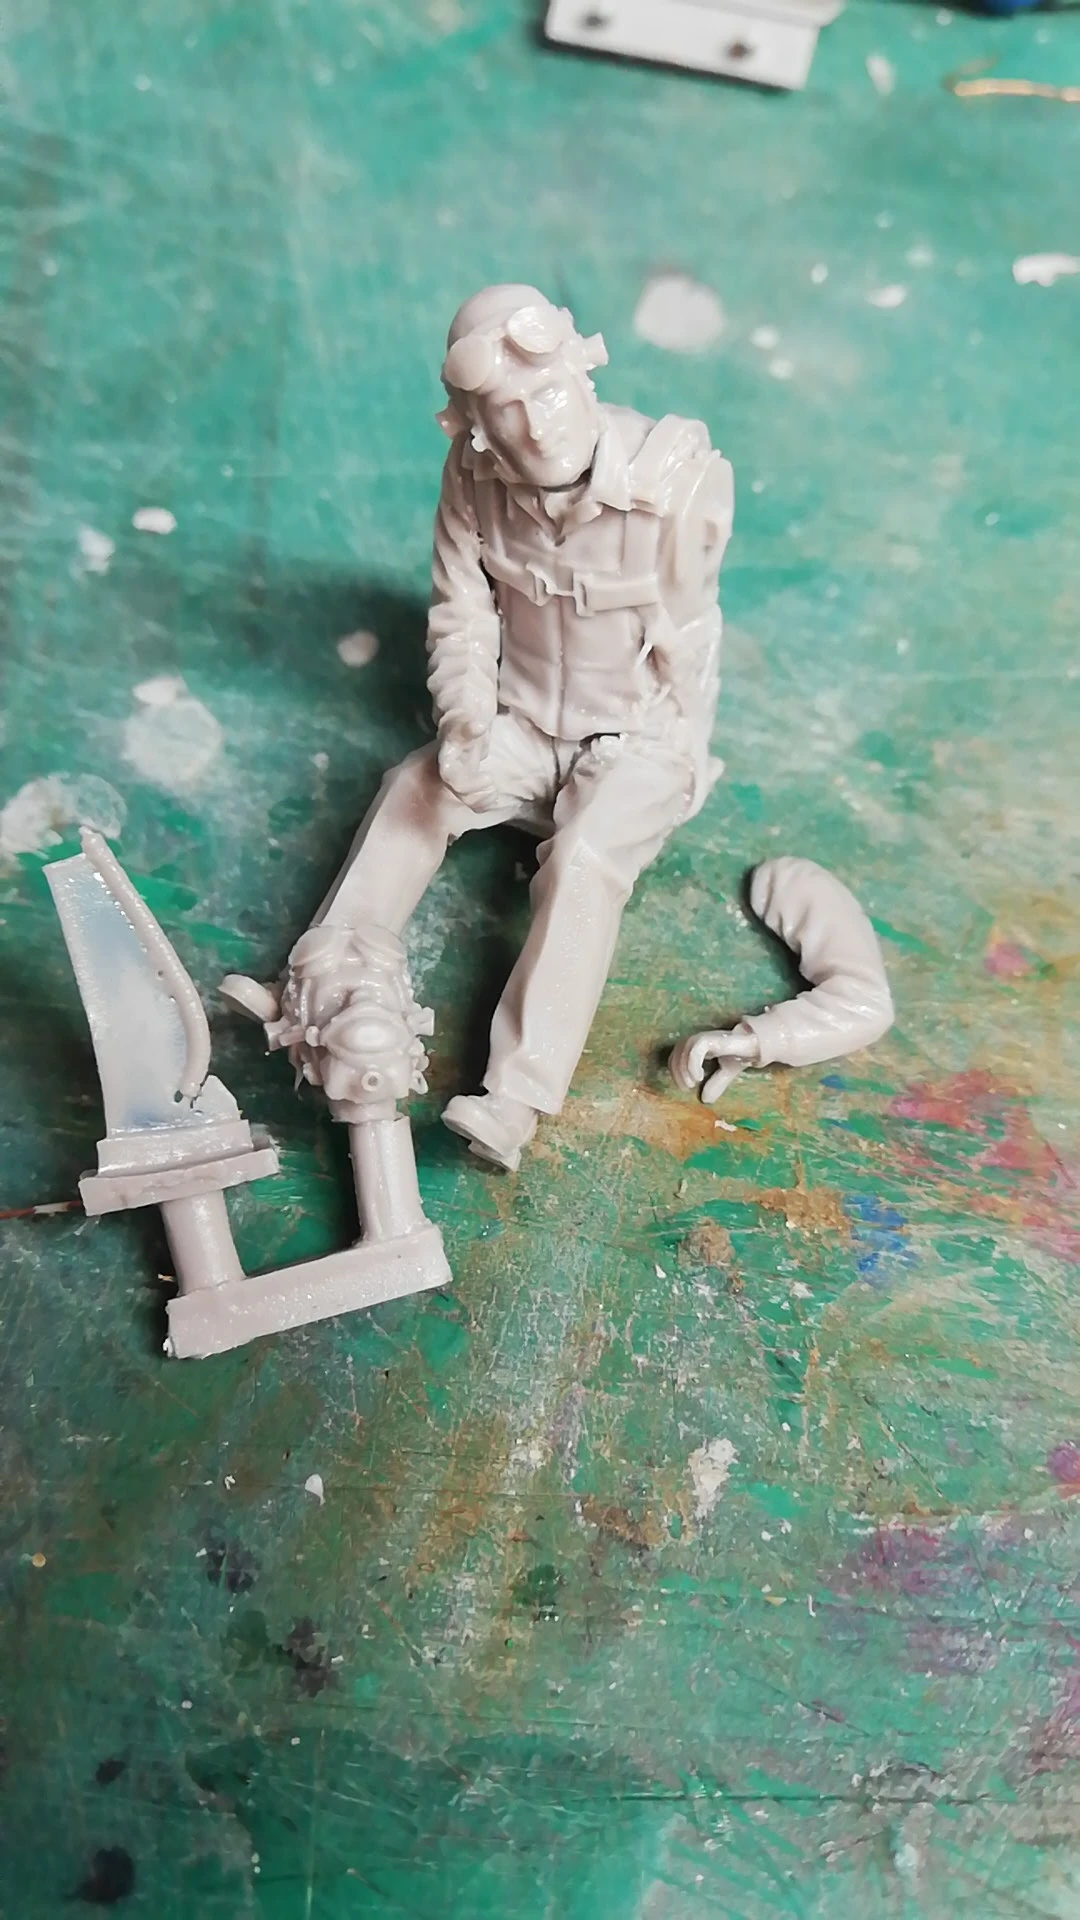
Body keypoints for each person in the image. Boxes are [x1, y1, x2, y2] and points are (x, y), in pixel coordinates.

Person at [305, 284, 732, 1170]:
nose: (538, 427)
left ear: (582, 374)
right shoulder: (473, 479)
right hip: (526, 726)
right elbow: (461, 614)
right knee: (416, 786)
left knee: (584, 860)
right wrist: (466, 725)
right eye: (507, 410)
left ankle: (517, 1095)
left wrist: (677, 755)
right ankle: (329, 975)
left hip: (639, 741)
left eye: (550, 393)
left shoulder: (675, 479)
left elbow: (693, 640)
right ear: (474, 427)